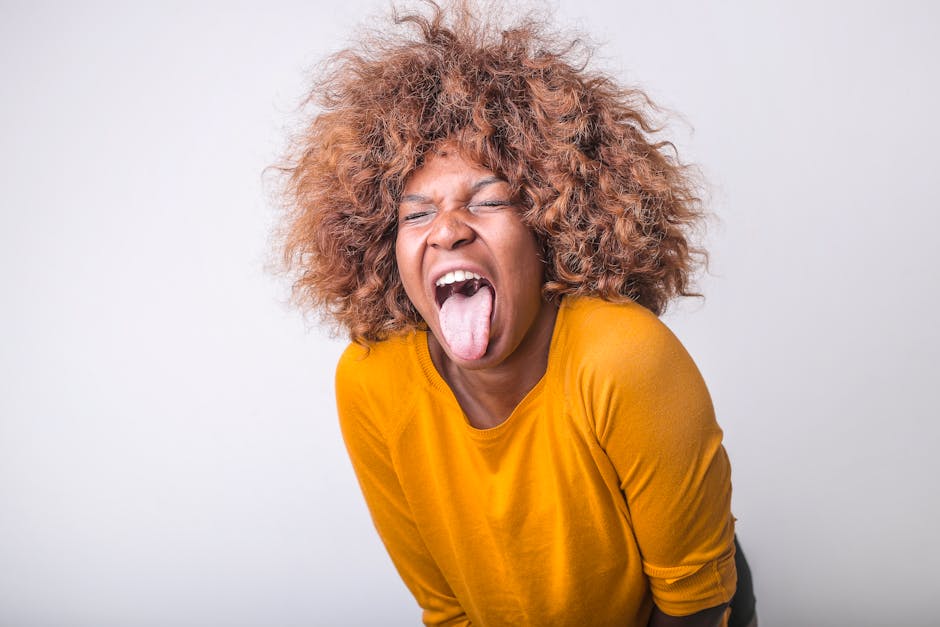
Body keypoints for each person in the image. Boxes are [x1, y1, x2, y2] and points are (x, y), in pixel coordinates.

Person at [277, 1, 756, 625]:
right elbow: (446, 609)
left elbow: (695, 603)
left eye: (489, 201)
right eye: (416, 213)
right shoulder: (372, 381)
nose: (447, 230)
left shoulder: (623, 358)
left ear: (551, 227)